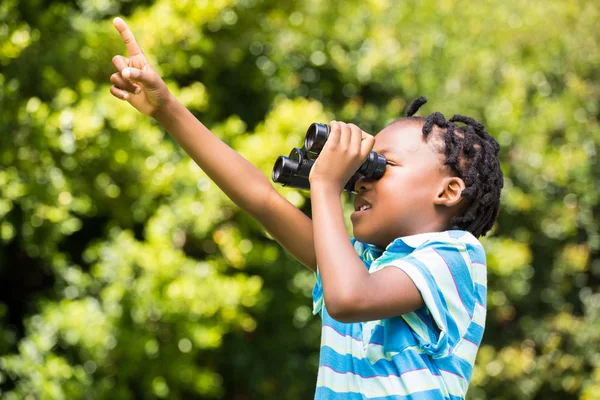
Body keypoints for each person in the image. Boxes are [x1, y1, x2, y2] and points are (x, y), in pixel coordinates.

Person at [109, 16, 503, 399]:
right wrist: (167, 109)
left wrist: (327, 184)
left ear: (448, 191)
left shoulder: (456, 257)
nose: (361, 180)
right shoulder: (359, 262)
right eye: (361, 169)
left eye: (382, 166)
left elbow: (350, 299)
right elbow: (262, 199)